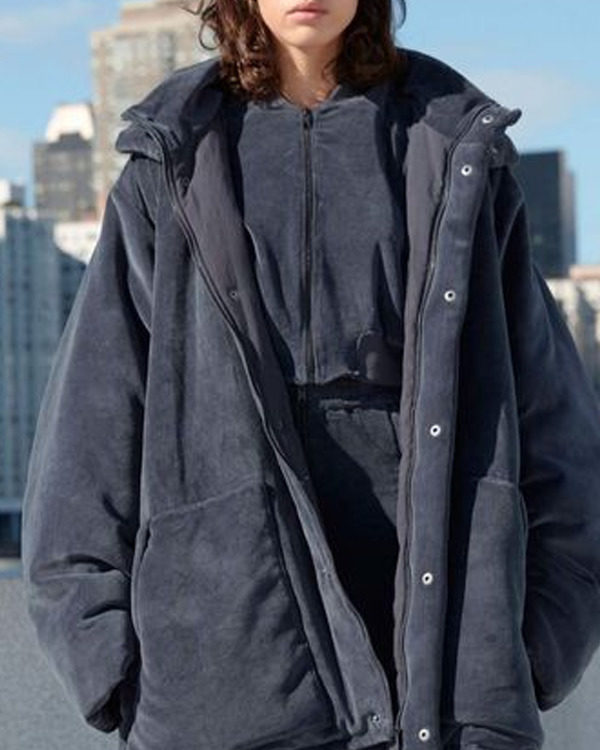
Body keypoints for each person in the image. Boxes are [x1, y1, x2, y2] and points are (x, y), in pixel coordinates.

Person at [20, 2, 600, 750]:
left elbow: (556, 424)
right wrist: (108, 666)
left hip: (446, 681)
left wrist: (534, 650)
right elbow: (90, 430)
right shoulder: (171, 164)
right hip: (227, 689)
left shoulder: (455, 151)